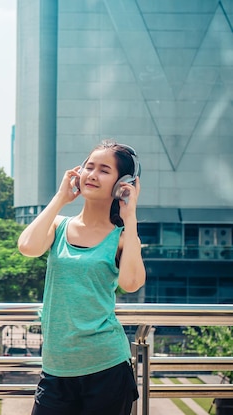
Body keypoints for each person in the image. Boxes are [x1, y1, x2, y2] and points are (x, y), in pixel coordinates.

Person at [17, 140, 146, 415]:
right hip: (56, 368)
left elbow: (131, 283)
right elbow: (27, 247)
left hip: (107, 366)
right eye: (89, 166)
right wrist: (61, 198)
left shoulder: (122, 238)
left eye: (104, 170)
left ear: (122, 182)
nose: (92, 175)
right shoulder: (58, 226)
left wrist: (130, 214)